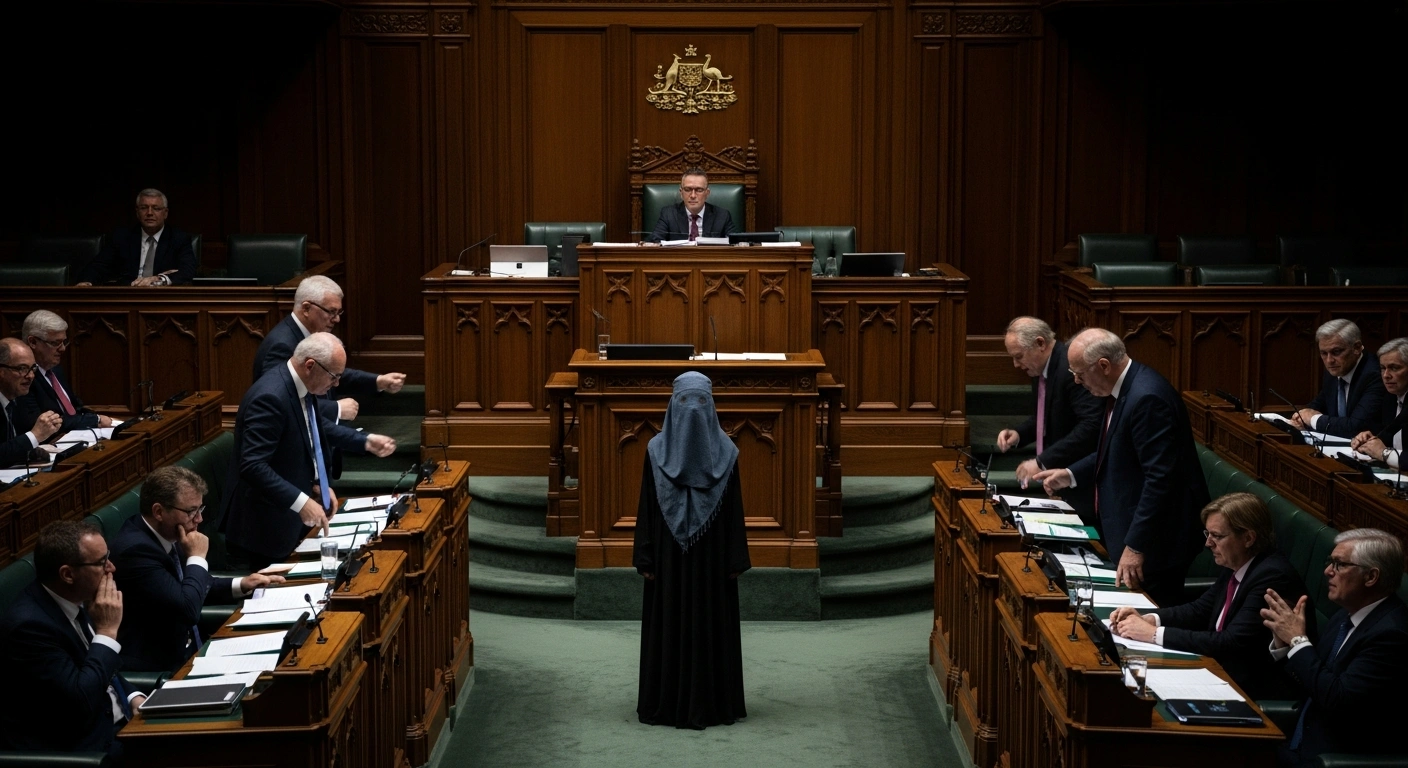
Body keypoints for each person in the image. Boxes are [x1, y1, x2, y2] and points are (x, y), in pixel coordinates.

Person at [1033, 327, 1209, 607]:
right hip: (1131, 531)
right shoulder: (1124, 390)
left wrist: (1136, 546)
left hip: (1157, 546)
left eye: (1079, 373)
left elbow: (1160, 480)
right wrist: (1070, 474)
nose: (1076, 381)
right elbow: (1116, 450)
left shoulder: (1147, 398)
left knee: (1145, 619)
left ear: (1104, 366)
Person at [221, 332, 397, 570]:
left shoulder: (302, 386)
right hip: (264, 530)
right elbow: (253, 465)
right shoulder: (270, 397)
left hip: (288, 519)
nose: (336, 384)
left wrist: (319, 484)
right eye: (334, 376)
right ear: (310, 365)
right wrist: (301, 501)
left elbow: (311, 429)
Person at [634, 371, 751, 729]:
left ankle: (713, 703)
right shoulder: (655, 452)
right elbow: (646, 508)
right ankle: (666, 703)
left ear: (711, 407)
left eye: (701, 402)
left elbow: (734, 513)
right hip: (667, 561)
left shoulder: (727, 454)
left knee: (710, 625)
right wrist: (645, 557)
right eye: (686, 402)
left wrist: (735, 559)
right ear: (673, 405)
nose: (694, 410)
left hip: (712, 563)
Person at [1109, 493, 1309, 698]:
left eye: (1217, 536)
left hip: (1247, 689)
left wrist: (1152, 634)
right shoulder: (1238, 561)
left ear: (1248, 538)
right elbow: (1200, 609)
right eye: (1208, 534)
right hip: (1216, 670)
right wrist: (1150, 618)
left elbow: (1230, 643)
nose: (1208, 543)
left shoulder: (1272, 576)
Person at [111, 466, 284, 672]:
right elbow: (187, 609)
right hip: (160, 668)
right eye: (191, 511)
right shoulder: (135, 551)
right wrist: (197, 557)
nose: (199, 519)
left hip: (191, 650)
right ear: (159, 512)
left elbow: (195, 584)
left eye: (200, 509)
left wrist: (242, 584)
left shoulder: (168, 532)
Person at [1262, 528, 1408, 766]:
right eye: (1330, 562)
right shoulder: (1344, 616)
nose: (1328, 571)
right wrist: (1285, 646)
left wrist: (1298, 641)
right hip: (1296, 744)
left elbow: (1338, 700)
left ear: (1371, 577)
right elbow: (1314, 682)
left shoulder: (1391, 635)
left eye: (1340, 564)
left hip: (1334, 758)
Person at [0, 521, 145, 756]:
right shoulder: (29, 629)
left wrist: (132, 697)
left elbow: (100, 668)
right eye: (101, 562)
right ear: (68, 574)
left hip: (120, 725)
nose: (111, 568)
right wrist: (107, 632)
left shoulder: (77, 598)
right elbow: (81, 700)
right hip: (87, 751)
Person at [251, 275, 407, 425]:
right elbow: (280, 400)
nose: (337, 319)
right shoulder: (282, 346)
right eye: (331, 312)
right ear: (306, 308)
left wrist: (378, 381)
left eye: (339, 312)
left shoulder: (305, 335)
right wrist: (335, 409)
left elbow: (328, 373)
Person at [994, 317, 1104, 506]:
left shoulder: (1070, 368)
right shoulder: (1040, 368)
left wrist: (1042, 461)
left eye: (1019, 356)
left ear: (1040, 343)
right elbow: (1045, 415)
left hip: (1082, 477)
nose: (1015, 364)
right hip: (1061, 479)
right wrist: (1019, 434)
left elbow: (1092, 425)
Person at [1291, 319, 1389, 439]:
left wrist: (1313, 419)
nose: (1329, 360)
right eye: (1324, 353)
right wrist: (1300, 417)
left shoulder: (1375, 374)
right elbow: (1319, 403)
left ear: (1357, 348)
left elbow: (1355, 427)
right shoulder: (1335, 370)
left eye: (1336, 352)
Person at [78, 188, 198, 286]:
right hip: (128, 296)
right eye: (144, 208)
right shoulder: (122, 237)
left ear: (165, 213)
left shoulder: (178, 238)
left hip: (163, 297)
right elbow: (99, 266)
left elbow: (188, 270)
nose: (149, 213)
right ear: (137, 212)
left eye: (156, 208)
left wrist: (159, 279)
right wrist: (86, 282)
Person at [22, 309, 114, 432]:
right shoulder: (24, 377)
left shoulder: (55, 369)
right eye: (56, 343)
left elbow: (74, 408)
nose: (63, 349)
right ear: (33, 342)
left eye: (64, 342)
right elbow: (40, 423)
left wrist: (96, 417)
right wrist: (95, 420)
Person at [1, 337, 62, 468]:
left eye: (33, 368)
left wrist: (32, 452)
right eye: (22, 368)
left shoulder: (18, 399)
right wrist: (35, 436)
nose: (30, 376)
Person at [1349, 337, 1406, 471]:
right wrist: (1369, 440)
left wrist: (1384, 453)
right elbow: (1389, 435)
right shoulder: (1390, 398)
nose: (1386, 375)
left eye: (1394, 368)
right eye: (1382, 368)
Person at [646, 168, 737, 243]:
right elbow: (654, 241)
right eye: (687, 189)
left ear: (707, 193)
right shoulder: (668, 214)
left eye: (699, 190)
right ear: (681, 192)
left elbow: (735, 243)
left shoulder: (722, 215)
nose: (693, 195)